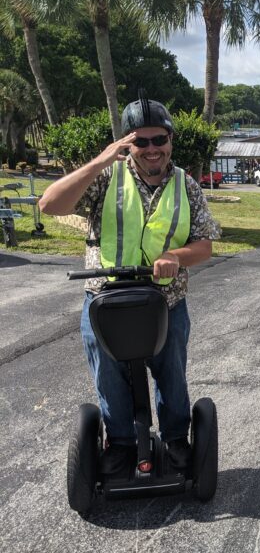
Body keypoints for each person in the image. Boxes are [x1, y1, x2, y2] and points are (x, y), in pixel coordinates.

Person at [39, 97, 219, 473]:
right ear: (126, 144)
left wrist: (176, 258)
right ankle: (119, 441)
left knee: (171, 372)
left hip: (166, 301)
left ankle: (174, 439)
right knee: (108, 375)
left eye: (159, 140)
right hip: (105, 300)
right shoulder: (105, 177)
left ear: (170, 140)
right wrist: (100, 160)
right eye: (141, 141)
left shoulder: (186, 184)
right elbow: (49, 206)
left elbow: (204, 245)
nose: (152, 149)